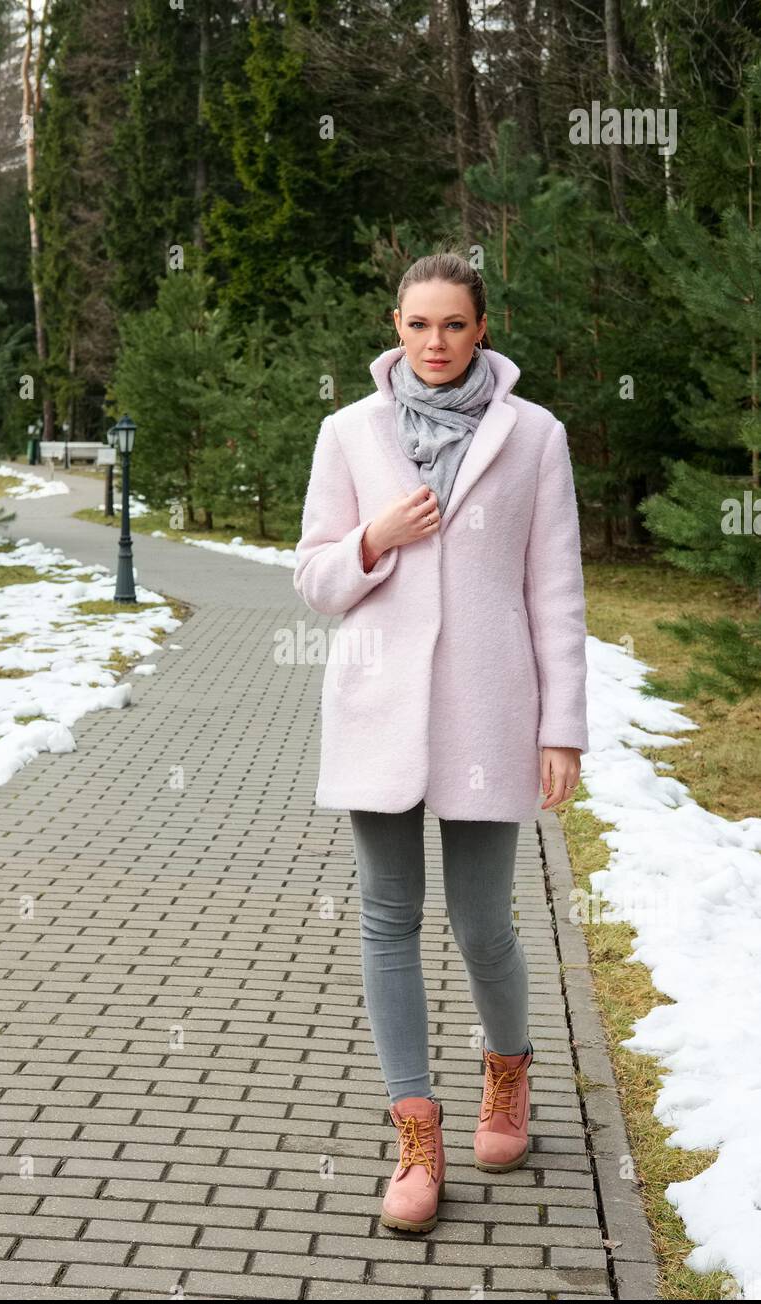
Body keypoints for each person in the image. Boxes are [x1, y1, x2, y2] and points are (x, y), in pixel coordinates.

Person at [292, 250, 589, 1235]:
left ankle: (507, 1076)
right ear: (394, 326)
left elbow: (553, 592)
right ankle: (415, 1138)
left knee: (481, 921)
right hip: (378, 707)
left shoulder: (533, 437)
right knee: (387, 918)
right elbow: (314, 580)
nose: (433, 343)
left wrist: (561, 730)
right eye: (416, 325)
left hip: (485, 710)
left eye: (451, 325)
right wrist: (372, 538)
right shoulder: (349, 433)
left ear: (480, 327)